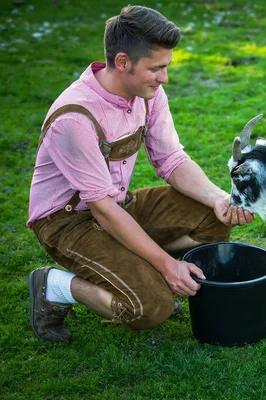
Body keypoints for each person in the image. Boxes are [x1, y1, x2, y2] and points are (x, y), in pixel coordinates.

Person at [27, 5, 254, 342]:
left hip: (118, 205)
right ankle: (55, 286)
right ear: (122, 62)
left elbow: (172, 160)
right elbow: (102, 209)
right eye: (156, 69)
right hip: (67, 222)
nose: (164, 78)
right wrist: (166, 265)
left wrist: (219, 198)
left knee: (213, 216)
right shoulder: (74, 118)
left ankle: (142, 271)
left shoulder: (148, 93)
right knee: (150, 309)